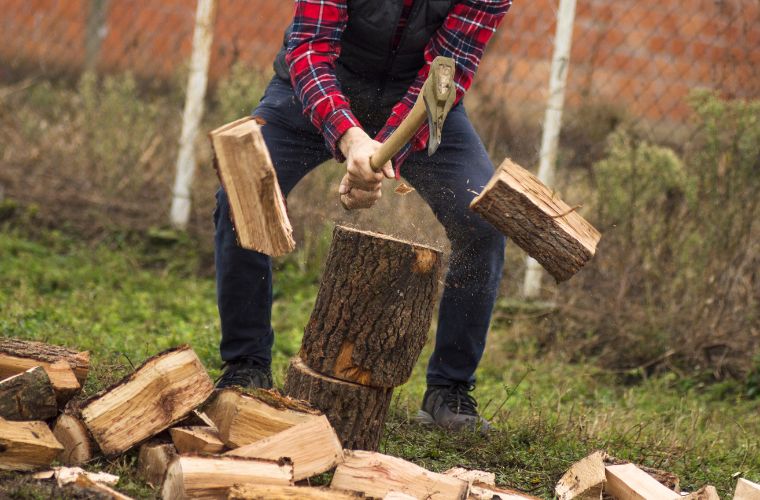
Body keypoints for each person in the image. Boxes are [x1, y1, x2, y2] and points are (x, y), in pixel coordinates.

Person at [214, 0, 512, 431]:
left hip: (421, 101)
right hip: (319, 83)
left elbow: (448, 70)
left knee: (482, 220)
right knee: (242, 191)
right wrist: (351, 140)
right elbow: (309, 49)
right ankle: (247, 365)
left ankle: (449, 391)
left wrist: (381, 153)